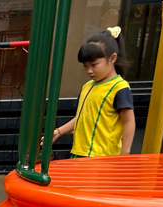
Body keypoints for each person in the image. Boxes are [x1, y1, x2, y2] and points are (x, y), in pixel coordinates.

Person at [52, 26, 135, 158]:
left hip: (102, 157)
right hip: (79, 153)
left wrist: (124, 155)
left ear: (112, 58)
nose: (89, 70)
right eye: (85, 66)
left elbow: (129, 122)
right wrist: (59, 132)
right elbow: (82, 118)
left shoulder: (119, 87)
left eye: (94, 65)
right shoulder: (87, 86)